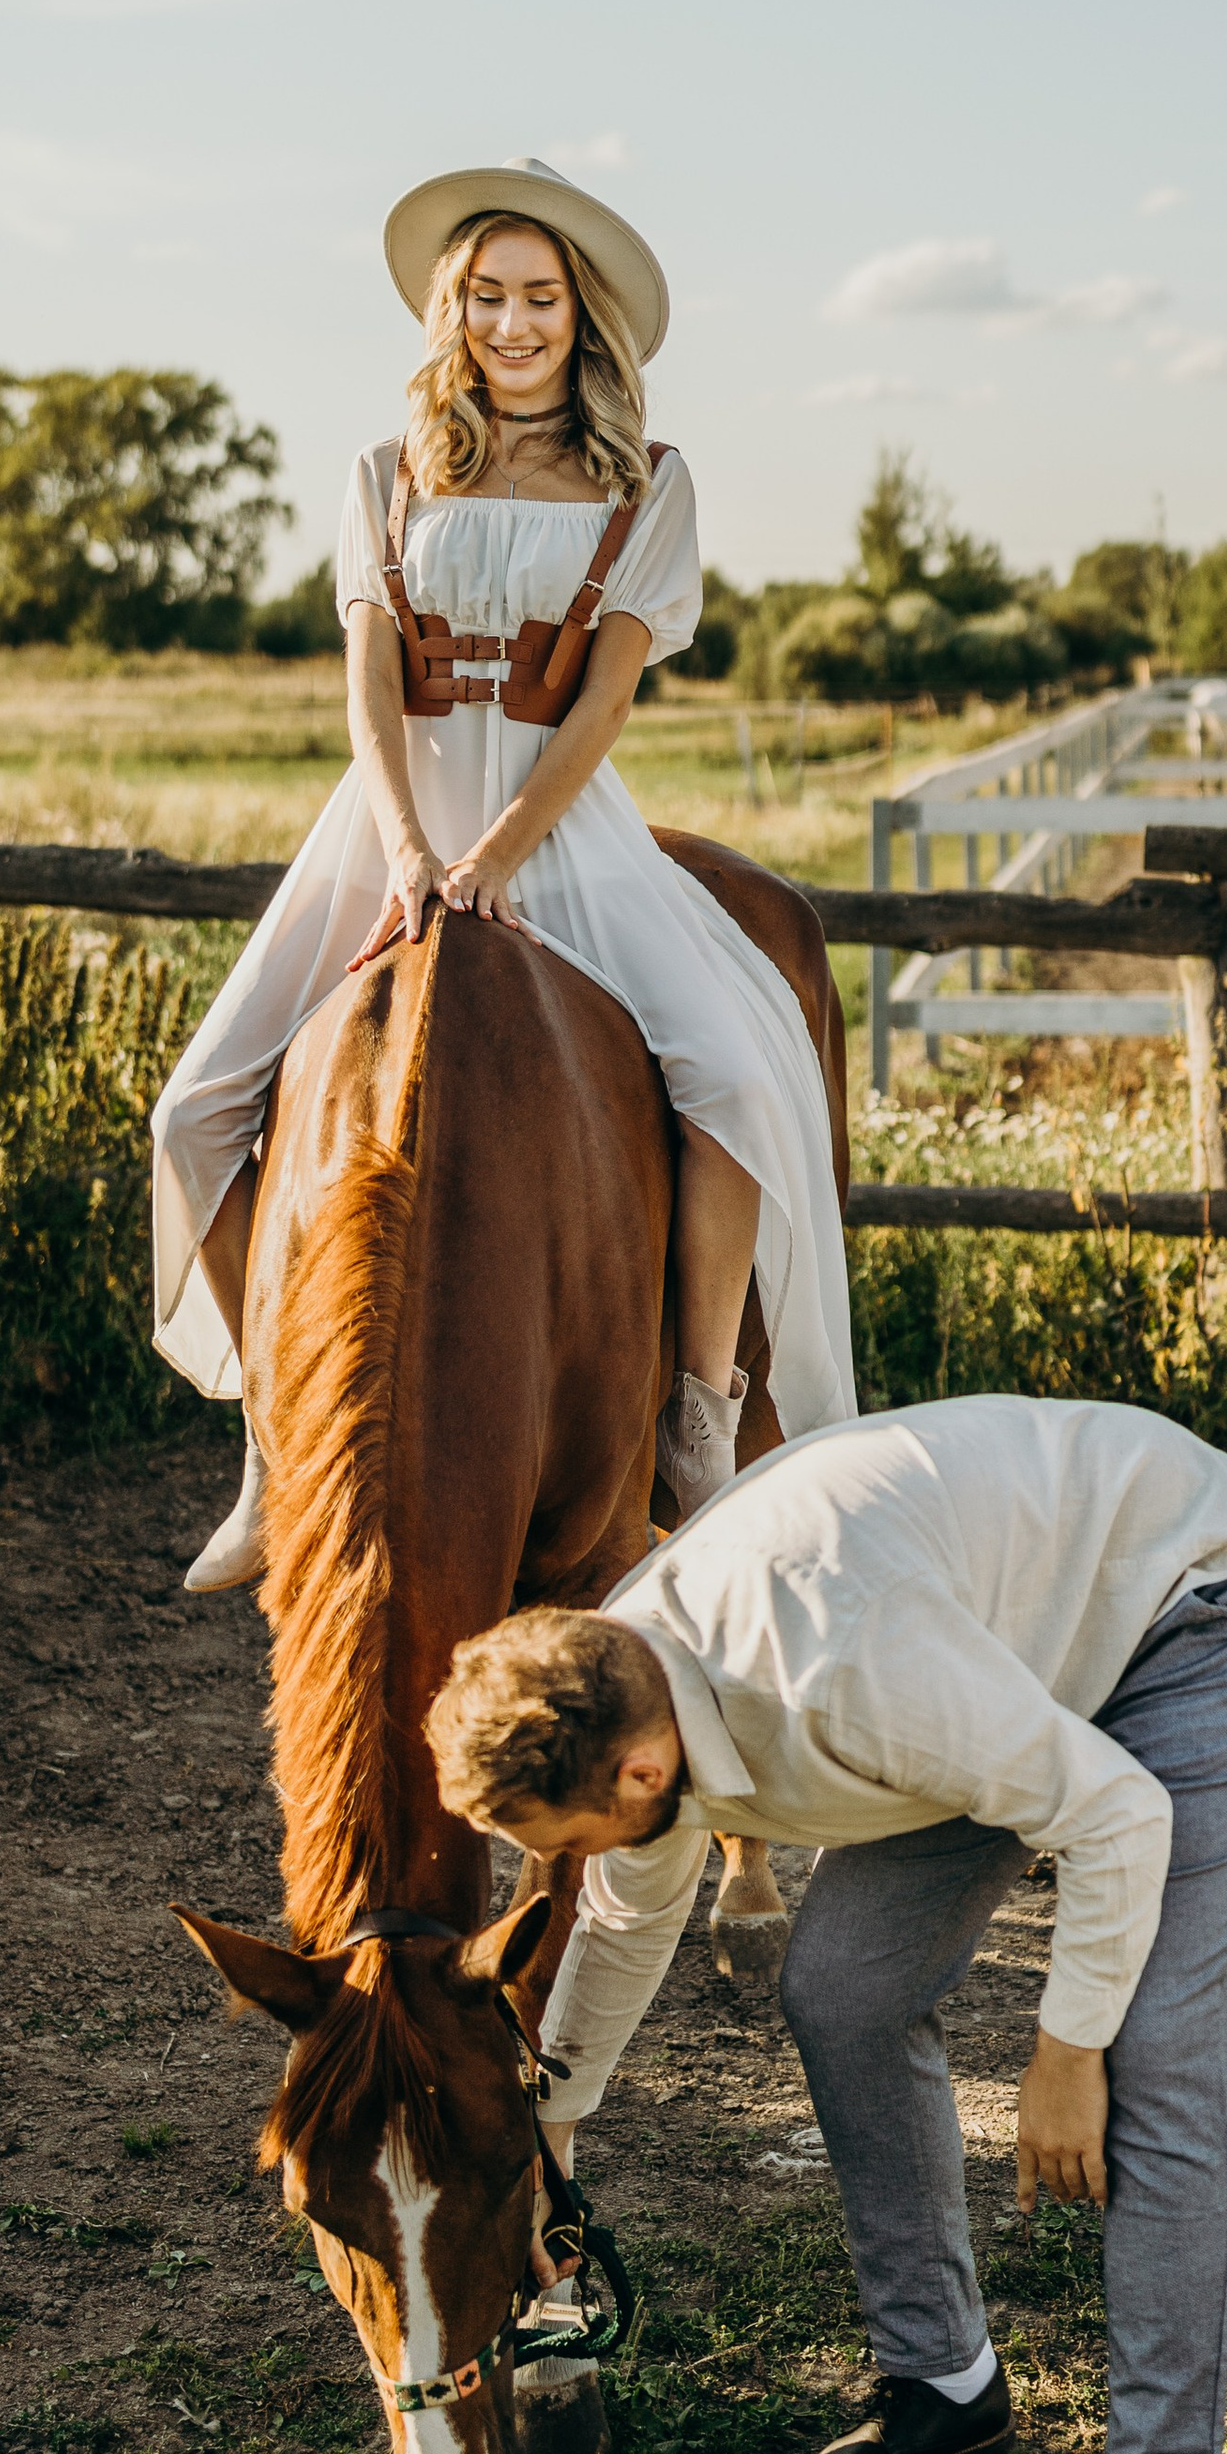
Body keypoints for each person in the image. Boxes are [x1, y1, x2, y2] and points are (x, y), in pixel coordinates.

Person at [422, 1394, 1227, 2454]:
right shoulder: (630, 1681)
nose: (564, 1869)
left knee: (1154, 2050)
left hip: (1192, 1611)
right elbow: (628, 1908)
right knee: (841, 1986)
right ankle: (944, 2380)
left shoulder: (835, 1670)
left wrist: (1065, 2054)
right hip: (1005, 1662)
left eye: (563, 1837)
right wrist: (551, 2120)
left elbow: (1113, 1811)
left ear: (634, 1773)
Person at [149, 159, 856, 1587]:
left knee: (737, 1072)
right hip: (387, 819)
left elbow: (599, 705)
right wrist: (412, 850)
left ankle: (701, 1412)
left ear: (582, 316)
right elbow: (367, 682)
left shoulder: (642, 484)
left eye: (541, 298)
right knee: (194, 1110)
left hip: (561, 820)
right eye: (489, 296)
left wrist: (494, 857)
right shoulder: (384, 471)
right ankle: (282, 1450)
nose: (515, 324)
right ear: (450, 309)